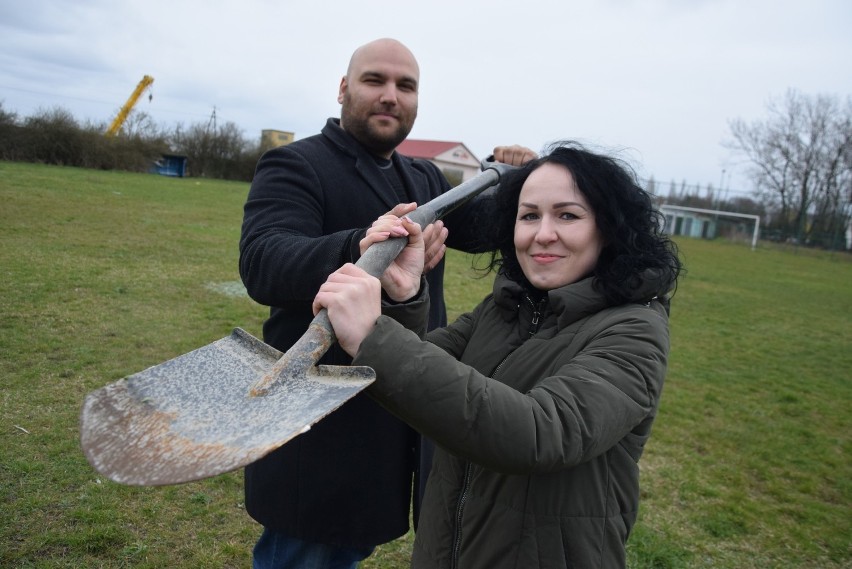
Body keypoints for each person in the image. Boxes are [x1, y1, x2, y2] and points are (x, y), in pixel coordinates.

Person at [314, 141, 684, 569]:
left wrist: (372, 335)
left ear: (610, 227)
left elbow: (539, 434)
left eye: (568, 215)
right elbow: (422, 377)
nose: (543, 233)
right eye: (529, 216)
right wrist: (404, 294)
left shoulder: (635, 330)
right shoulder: (508, 307)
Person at [239, 36, 535, 568]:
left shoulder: (420, 176)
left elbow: (489, 226)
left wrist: (519, 183)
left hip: (393, 409)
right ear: (343, 88)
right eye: (375, 80)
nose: (390, 96)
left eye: (406, 86)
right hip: (319, 425)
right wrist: (361, 248)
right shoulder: (295, 164)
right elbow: (263, 261)